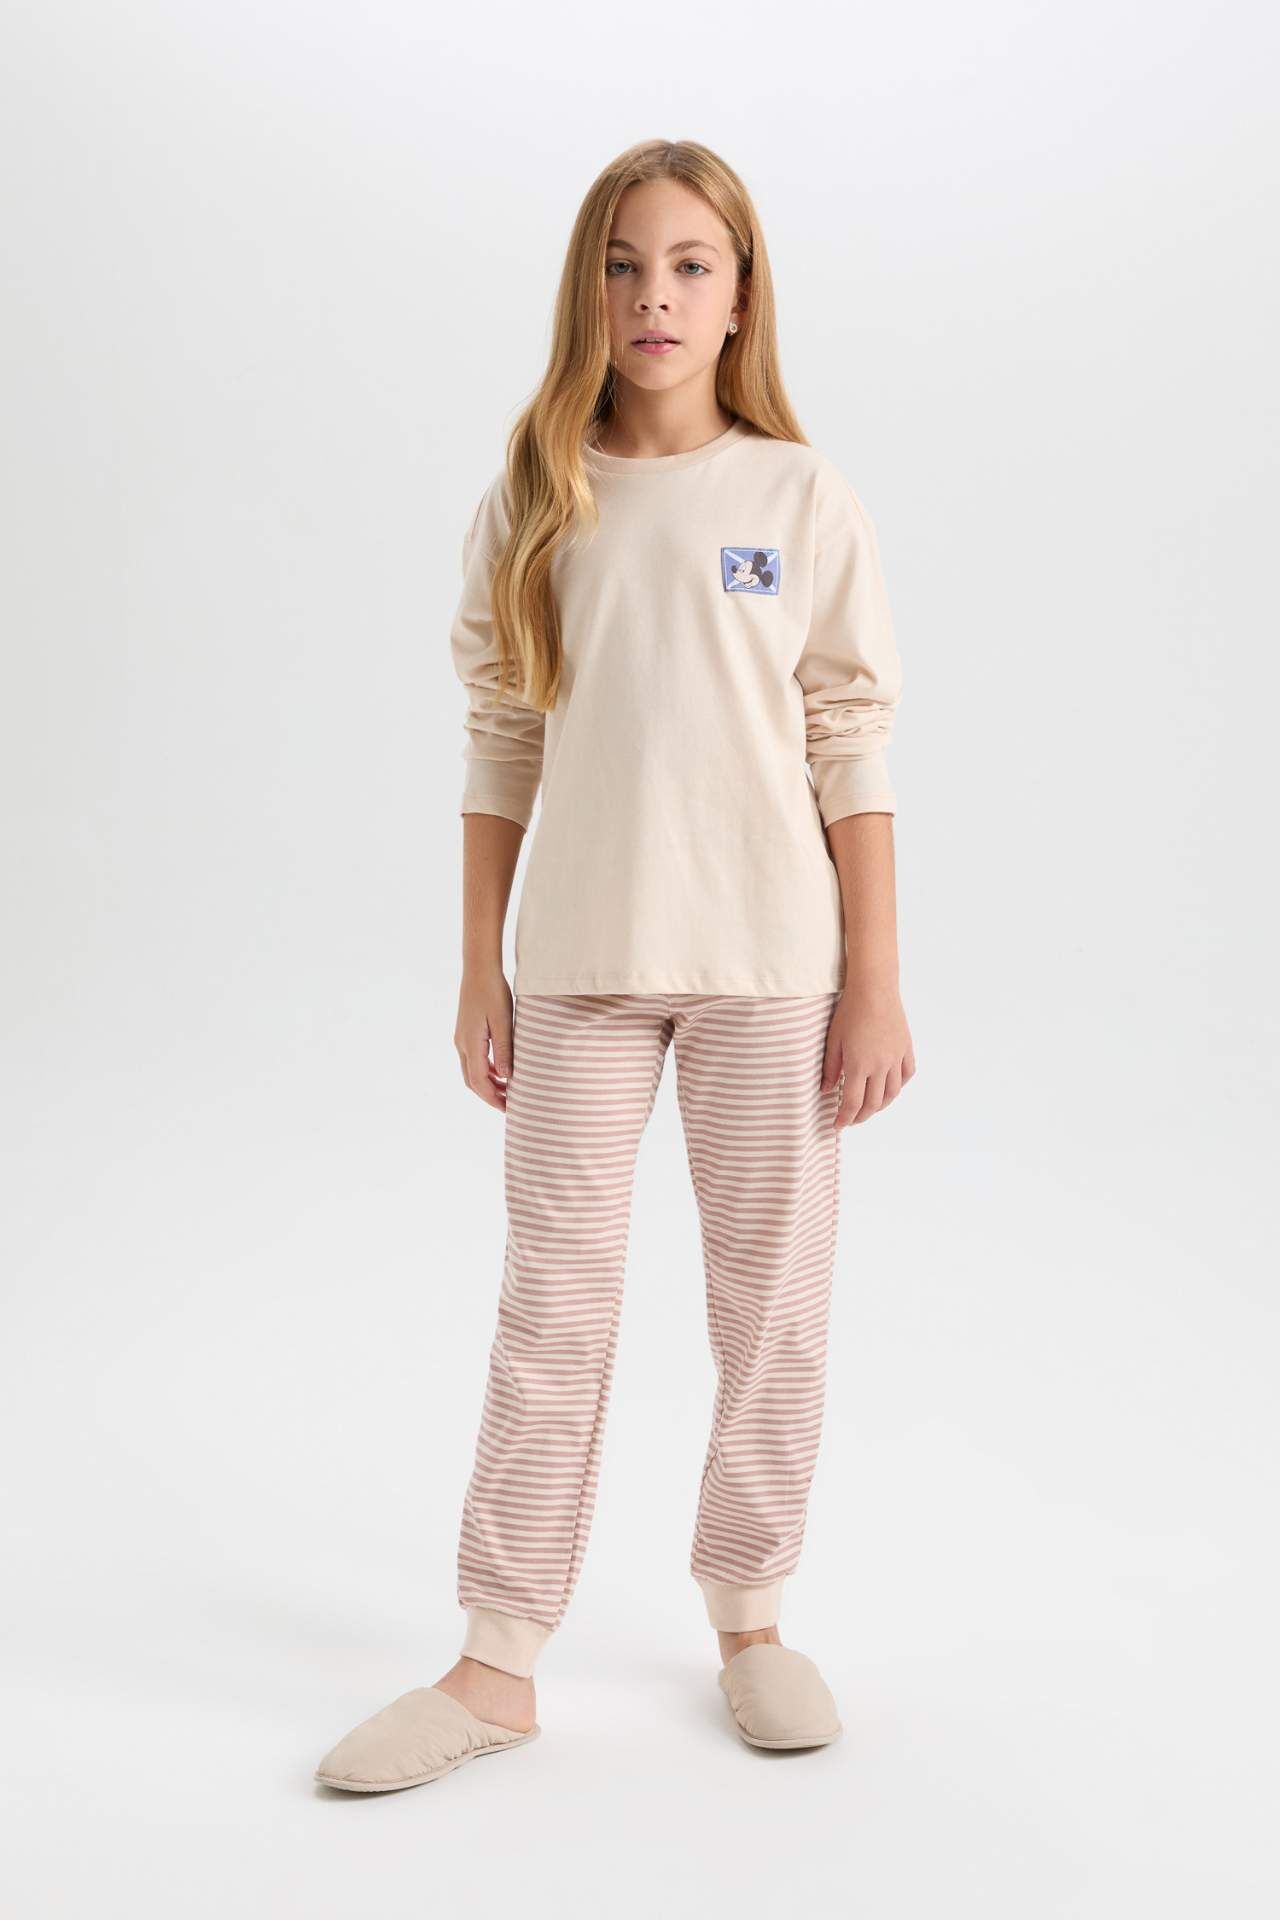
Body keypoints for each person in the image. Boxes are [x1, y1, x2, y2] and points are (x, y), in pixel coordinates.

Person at [314, 136, 914, 1794]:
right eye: (625, 264)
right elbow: (502, 735)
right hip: (578, 963)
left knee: (771, 1306)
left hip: (770, 967)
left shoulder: (797, 497)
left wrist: (875, 978)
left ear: (739, 297)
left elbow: (849, 737)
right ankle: (498, 1660)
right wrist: (478, 969)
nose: (657, 295)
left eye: (690, 265)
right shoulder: (538, 494)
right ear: (590, 290)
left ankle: (751, 1615)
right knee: (552, 1311)